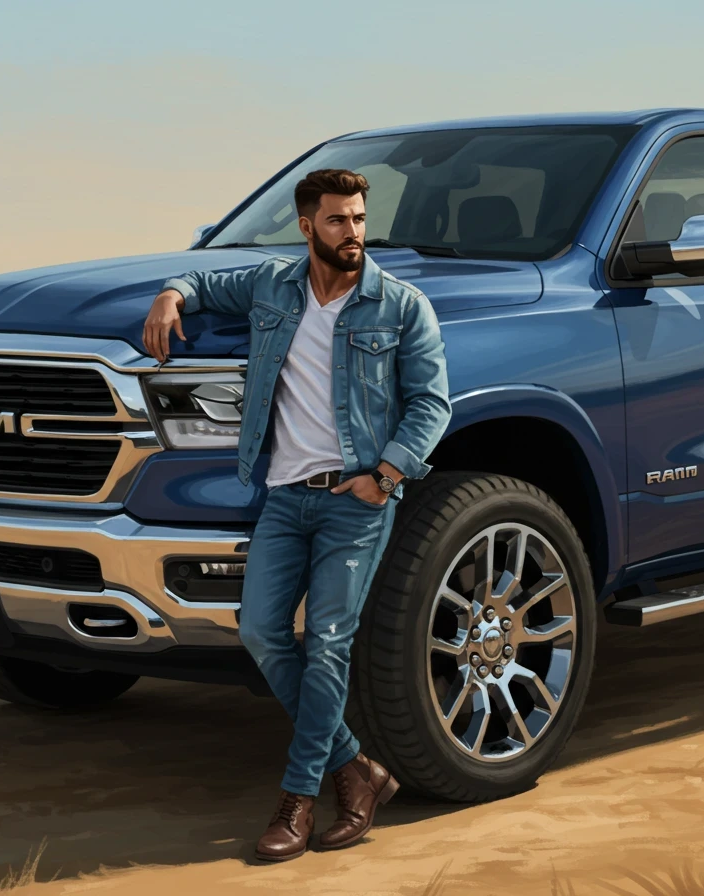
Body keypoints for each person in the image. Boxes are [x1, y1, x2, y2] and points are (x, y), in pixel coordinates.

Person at [142, 169, 451, 862]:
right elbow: (200, 281)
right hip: (283, 496)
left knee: (329, 644)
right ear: (307, 226)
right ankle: (358, 770)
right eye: (338, 220)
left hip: (355, 501)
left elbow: (433, 403)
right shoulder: (272, 285)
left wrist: (387, 474)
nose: (354, 233)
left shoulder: (401, 307)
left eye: (360, 219)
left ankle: (297, 800)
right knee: (260, 631)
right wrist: (170, 294)